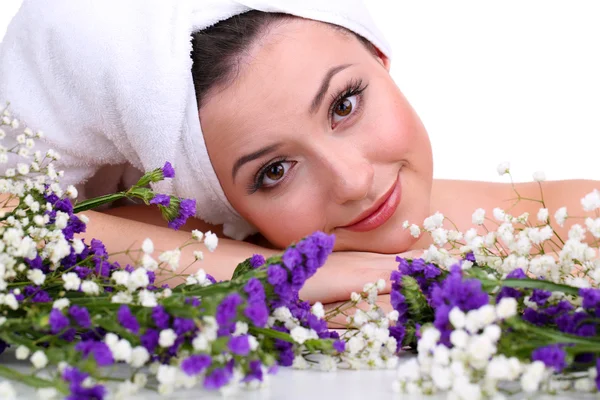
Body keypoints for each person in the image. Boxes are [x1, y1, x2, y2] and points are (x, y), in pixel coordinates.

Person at [1, 3, 598, 310]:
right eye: (273, 172)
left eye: (344, 103)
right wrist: (267, 274)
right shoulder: (148, 272)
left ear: (380, 58)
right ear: (212, 208)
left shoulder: (572, 225)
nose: (354, 181)